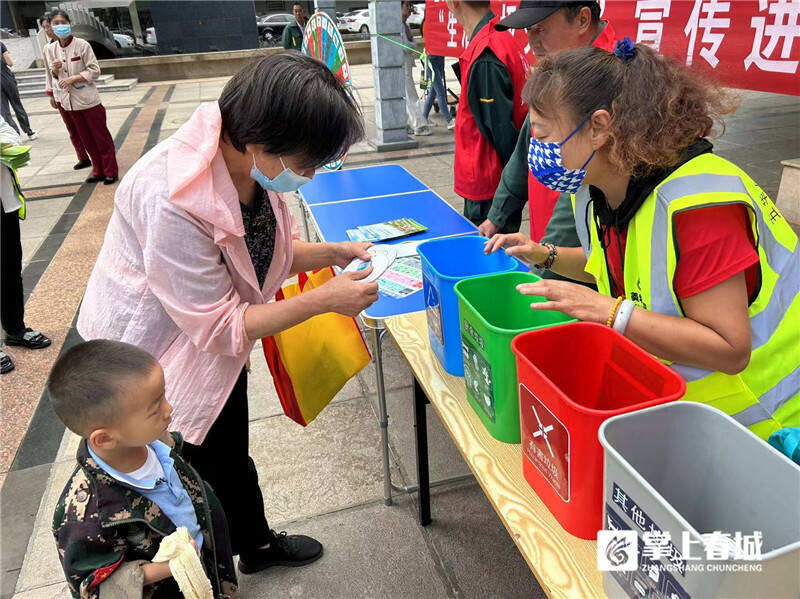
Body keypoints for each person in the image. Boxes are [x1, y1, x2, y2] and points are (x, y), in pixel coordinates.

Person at [77, 53, 378, 575]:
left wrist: (335, 253)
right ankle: (198, 571)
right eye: (307, 163)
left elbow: (266, 253)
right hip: (147, 359)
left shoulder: (251, 169)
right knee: (186, 474)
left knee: (230, 450)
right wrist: (324, 299)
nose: (309, 175)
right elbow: (219, 326)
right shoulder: (171, 197)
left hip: (207, 342)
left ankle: (254, 545)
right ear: (261, 142)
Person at [485, 40, 800, 440]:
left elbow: (729, 348)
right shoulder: (598, 189)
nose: (537, 150)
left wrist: (608, 312)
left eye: (543, 134)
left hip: (770, 424)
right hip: (693, 417)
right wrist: (544, 254)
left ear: (599, 127)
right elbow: (615, 268)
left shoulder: (699, 206)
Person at [48, 340, 238, 598]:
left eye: (163, 397)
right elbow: (93, 587)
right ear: (105, 438)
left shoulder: (157, 442)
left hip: (205, 565)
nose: (169, 409)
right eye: (155, 408)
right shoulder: (82, 515)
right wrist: (173, 566)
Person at [478, 0, 616, 245]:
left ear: (583, 19)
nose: (533, 43)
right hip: (547, 243)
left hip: (584, 250)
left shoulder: (614, 79)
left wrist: (548, 255)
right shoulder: (556, 67)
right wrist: (497, 215)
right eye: (528, 31)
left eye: (541, 29)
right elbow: (524, 150)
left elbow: (584, 186)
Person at [447, 0, 528, 230]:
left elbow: (502, 133)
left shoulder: (487, 52)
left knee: (490, 250)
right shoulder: (497, 37)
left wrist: (510, 191)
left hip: (489, 186)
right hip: (495, 182)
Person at [0, 115, 51, 375]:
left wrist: (5, 144)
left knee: (10, 269)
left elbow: (9, 132)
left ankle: (15, 330)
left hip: (5, 202)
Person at [44, 10, 118, 185]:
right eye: (56, 23)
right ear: (51, 27)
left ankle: (111, 171)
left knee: (101, 137)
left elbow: (95, 70)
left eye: (63, 22)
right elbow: (53, 75)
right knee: (86, 139)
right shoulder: (51, 49)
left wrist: (74, 78)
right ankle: (98, 170)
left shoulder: (82, 45)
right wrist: (55, 70)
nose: (60, 26)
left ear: (69, 24)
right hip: (69, 102)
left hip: (88, 100)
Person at [41, 12, 91, 171]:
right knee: (71, 128)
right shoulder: (48, 48)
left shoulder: (77, 45)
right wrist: (50, 93)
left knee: (84, 128)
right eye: (45, 28)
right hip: (60, 93)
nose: (48, 30)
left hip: (78, 93)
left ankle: (94, 157)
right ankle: (82, 157)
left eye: (49, 26)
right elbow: (48, 73)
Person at [402, 1, 431, 136]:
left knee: (406, 95)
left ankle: (407, 123)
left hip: (407, 64)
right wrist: (413, 46)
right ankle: (419, 125)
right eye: (407, 6)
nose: (409, 9)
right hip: (402, 65)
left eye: (410, 6)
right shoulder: (397, 25)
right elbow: (405, 45)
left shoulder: (405, 25)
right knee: (410, 95)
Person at [420, 19, 453, 130]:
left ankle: (424, 118)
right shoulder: (428, 22)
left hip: (439, 57)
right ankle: (449, 120)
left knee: (433, 92)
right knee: (440, 91)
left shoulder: (439, 20)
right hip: (431, 60)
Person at [0, 41, 37, 140]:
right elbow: (10, 63)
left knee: (4, 110)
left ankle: (15, 134)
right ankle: (29, 132)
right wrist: (7, 56)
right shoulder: (0, 44)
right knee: (17, 105)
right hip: (6, 77)